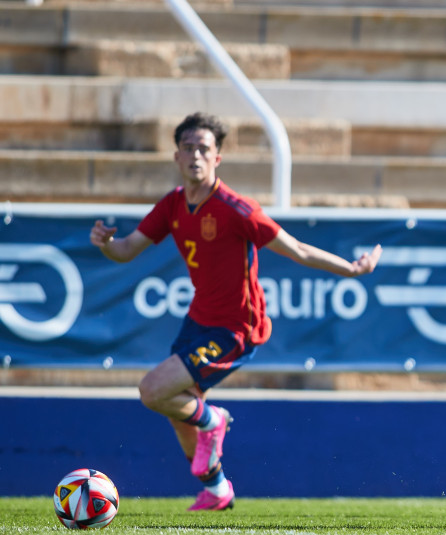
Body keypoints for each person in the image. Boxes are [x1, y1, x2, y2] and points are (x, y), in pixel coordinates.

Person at [89, 112, 382, 511]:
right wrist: (106, 243)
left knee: (152, 391)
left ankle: (215, 421)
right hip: (198, 320)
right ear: (177, 156)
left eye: (204, 148)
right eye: (189, 148)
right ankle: (217, 488)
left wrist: (350, 269)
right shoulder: (173, 204)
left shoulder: (236, 208)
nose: (196, 155)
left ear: (217, 159)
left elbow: (297, 249)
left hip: (237, 328)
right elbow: (126, 250)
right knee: (180, 409)